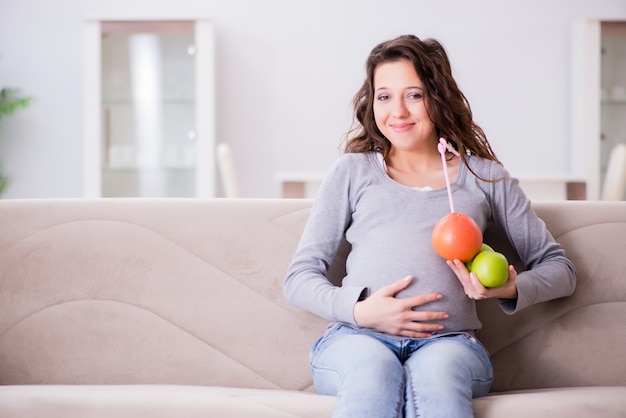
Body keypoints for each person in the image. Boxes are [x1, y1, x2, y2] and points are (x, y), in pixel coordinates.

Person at [282, 34, 576, 418]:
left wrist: (507, 287)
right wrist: (359, 312)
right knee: (374, 370)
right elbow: (299, 278)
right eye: (384, 96)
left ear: (437, 98)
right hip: (356, 339)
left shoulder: (483, 177)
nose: (398, 112)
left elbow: (562, 271)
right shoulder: (351, 173)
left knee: (436, 375)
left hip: (450, 345)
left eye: (414, 95)